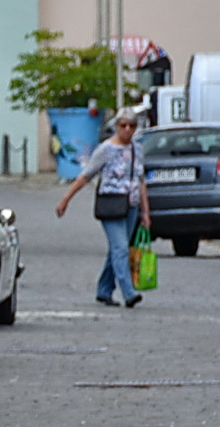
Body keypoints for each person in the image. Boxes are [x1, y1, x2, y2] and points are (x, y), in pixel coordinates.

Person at [55, 112, 151, 308]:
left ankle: (104, 290)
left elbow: (141, 181)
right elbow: (85, 175)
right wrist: (66, 199)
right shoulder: (105, 149)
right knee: (121, 248)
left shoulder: (137, 149)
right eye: (123, 125)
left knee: (117, 251)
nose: (127, 129)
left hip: (131, 205)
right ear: (116, 126)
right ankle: (129, 292)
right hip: (111, 204)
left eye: (131, 126)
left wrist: (145, 211)